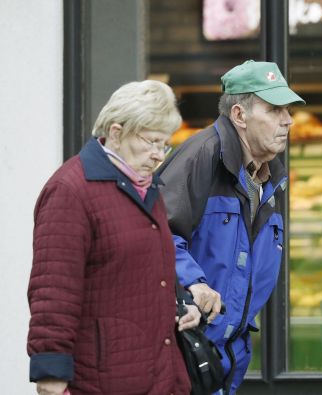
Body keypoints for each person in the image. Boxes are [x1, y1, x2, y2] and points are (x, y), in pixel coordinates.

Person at [27, 80, 202, 395]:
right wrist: (51, 378)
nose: (158, 155)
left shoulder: (146, 186)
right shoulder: (70, 190)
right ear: (117, 131)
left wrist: (181, 303)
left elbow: (146, 270)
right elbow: (53, 291)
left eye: (165, 145)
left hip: (159, 374)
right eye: (150, 142)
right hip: (102, 381)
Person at [157, 60, 305, 394]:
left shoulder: (269, 175)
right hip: (188, 351)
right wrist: (193, 283)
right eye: (274, 110)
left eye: (288, 110)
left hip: (227, 354)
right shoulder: (201, 157)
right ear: (239, 115)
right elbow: (157, 236)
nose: (288, 120)